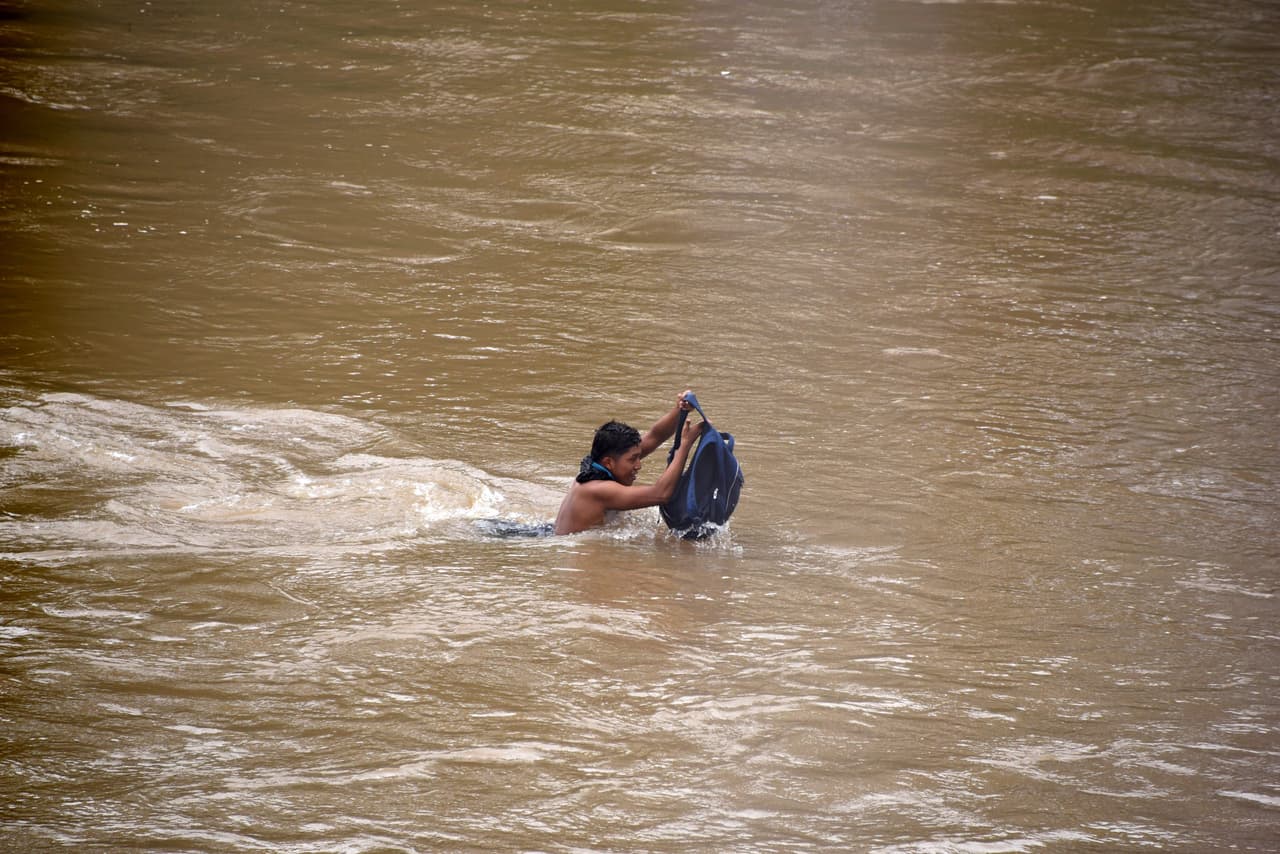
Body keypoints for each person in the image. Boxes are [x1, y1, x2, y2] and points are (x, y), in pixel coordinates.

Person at [553, 390, 704, 535]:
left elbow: (655, 436)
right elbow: (661, 494)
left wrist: (679, 409)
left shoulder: (599, 462)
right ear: (608, 463)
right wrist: (685, 445)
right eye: (633, 459)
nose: (639, 465)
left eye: (638, 457)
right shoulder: (598, 489)